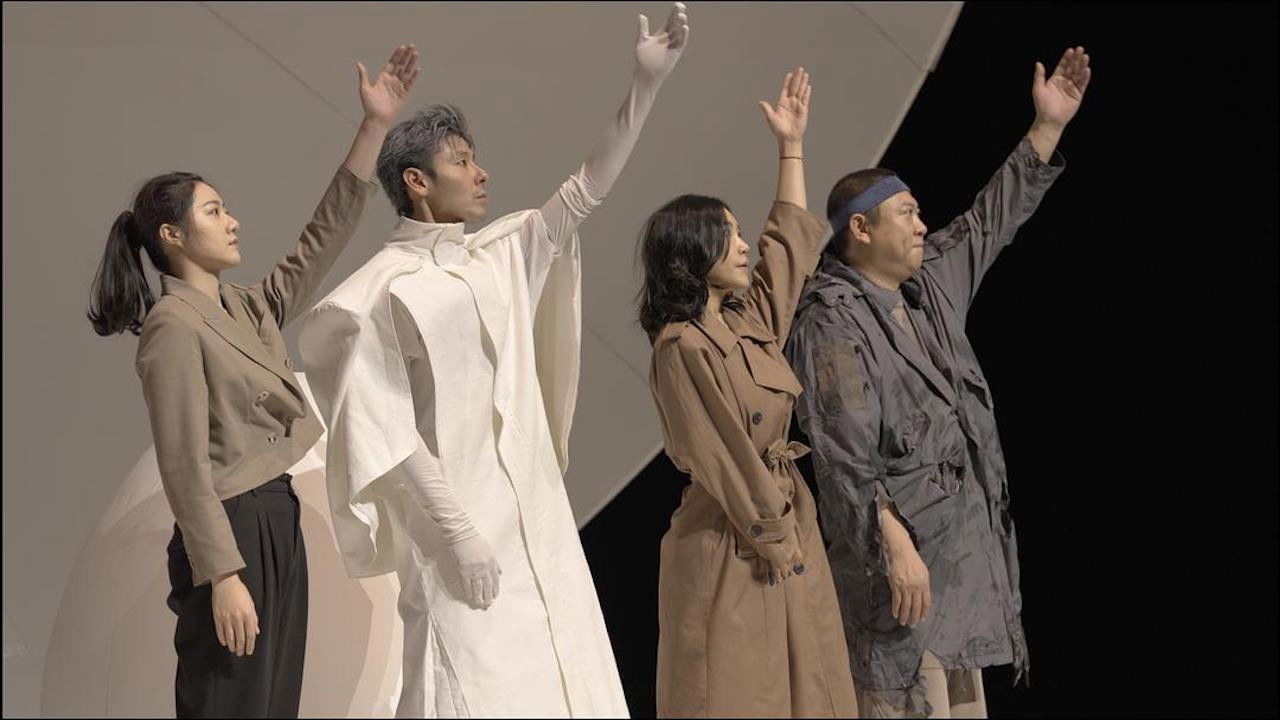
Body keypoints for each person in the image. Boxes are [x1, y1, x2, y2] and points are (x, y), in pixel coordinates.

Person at [296, 5, 689, 716]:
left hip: (535, 520)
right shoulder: (379, 291)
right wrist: (456, 532)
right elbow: (385, 428)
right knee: (467, 691)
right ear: (416, 181)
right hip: (459, 534)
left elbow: (587, 188)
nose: (482, 174)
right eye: (461, 162)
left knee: (566, 687)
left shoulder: (501, 251)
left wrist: (646, 85)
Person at [86, 44, 419, 718]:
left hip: (274, 514)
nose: (232, 221)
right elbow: (184, 466)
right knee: (230, 704)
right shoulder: (172, 326)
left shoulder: (243, 307)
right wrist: (222, 573)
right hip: (233, 530)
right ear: (172, 234)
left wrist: (373, 128)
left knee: (272, 705)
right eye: (214, 212)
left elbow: (318, 243)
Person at [784, 47, 1091, 717]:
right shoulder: (831, 324)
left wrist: (1047, 127)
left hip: (956, 573)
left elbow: (989, 220)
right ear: (860, 229)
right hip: (898, 582)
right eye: (906, 214)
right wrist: (894, 543)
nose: (923, 224)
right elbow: (843, 455)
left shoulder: (928, 288)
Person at [638, 68, 859, 718]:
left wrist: (791, 148)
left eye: (739, 233)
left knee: (806, 690)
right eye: (727, 235)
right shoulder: (682, 347)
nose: (742, 246)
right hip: (736, 539)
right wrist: (776, 535)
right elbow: (726, 459)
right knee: (739, 694)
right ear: (690, 251)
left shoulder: (746, 323)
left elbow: (786, 245)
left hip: (788, 527)